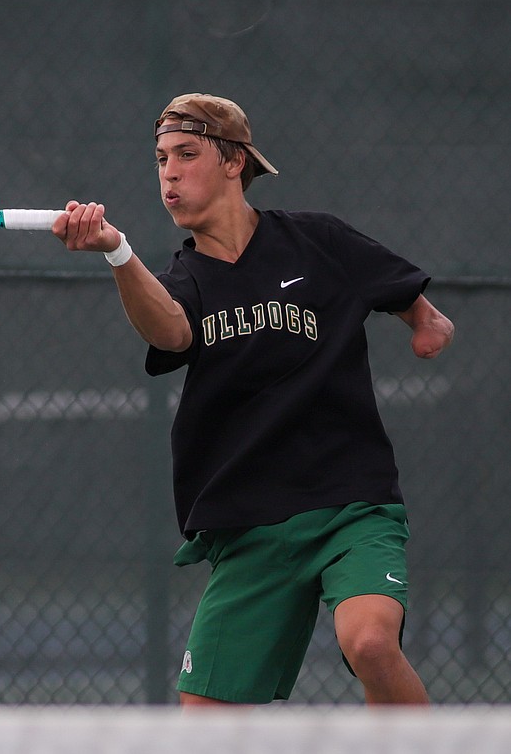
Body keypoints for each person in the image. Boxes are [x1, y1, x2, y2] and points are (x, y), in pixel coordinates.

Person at [51, 93, 454, 706]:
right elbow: (172, 331)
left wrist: (427, 324)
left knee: (370, 643)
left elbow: (417, 307)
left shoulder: (318, 240)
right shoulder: (184, 280)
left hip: (351, 506)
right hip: (249, 524)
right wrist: (117, 251)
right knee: (203, 719)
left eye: (187, 154)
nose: (170, 172)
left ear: (235, 161)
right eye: (161, 159)